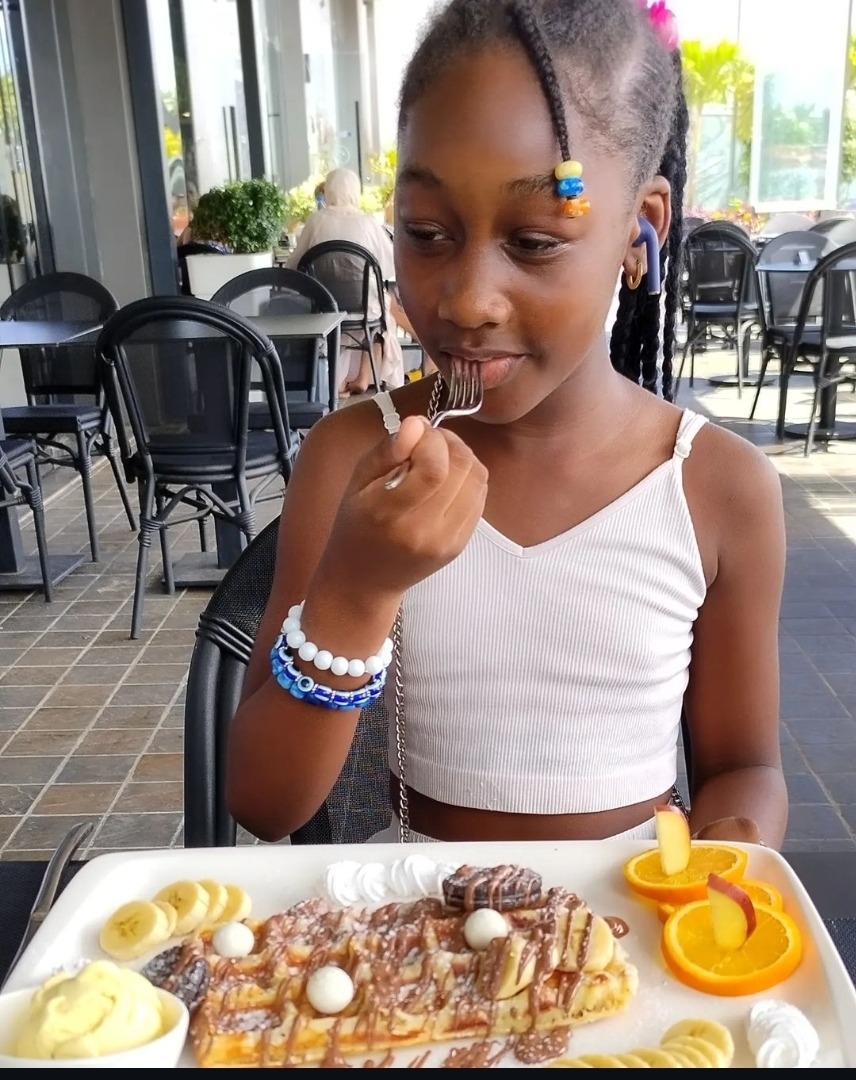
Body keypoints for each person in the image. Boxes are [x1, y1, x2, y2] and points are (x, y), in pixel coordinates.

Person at [226, 0, 788, 850]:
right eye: (426, 233)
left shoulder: (717, 487)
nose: (467, 300)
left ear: (640, 232)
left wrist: (733, 853)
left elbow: (744, 764)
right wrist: (357, 590)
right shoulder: (353, 456)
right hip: (416, 915)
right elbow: (265, 803)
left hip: (625, 920)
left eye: (533, 242)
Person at [287, 167, 408, 395]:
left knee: (380, 306)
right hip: (364, 309)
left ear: (328, 190)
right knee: (383, 311)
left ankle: (337, 378)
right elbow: (390, 265)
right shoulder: (367, 222)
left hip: (324, 309)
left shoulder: (315, 221)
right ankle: (364, 376)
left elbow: (294, 266)